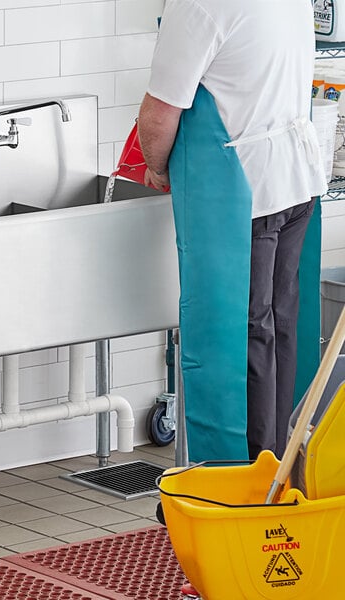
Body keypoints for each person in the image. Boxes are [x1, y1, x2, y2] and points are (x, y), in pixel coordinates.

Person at [138, 0, 328, 460]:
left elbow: (160, 115)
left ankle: (238, 483)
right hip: (296, 183)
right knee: (281, 330)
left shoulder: (198, 5)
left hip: (241, 192)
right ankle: (282, 471)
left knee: (239, 341)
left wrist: (159, 169)